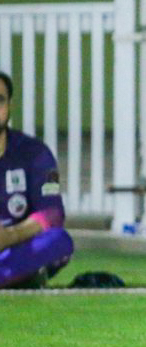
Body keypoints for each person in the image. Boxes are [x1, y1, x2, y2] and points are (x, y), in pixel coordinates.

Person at [0, 72, 74, 289]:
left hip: (18, 247)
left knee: (59, 241)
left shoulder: (38, 153)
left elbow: (52, 214)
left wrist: (8, 236)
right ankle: (18, 277)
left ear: (10, 105)